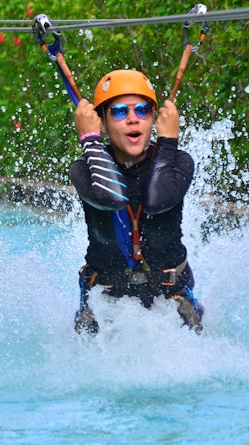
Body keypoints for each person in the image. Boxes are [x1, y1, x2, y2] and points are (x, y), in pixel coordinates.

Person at [70, 69, 203, 334]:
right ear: (102, 123)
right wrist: (90, 140)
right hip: (107, 301)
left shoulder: (179, 162)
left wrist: (168, 141)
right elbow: (113, 197)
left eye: (143, 110)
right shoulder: (84, 169)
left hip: (171, 299)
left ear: (154, 119)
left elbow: (157, 201)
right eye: (120, 111)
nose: (133, 120)